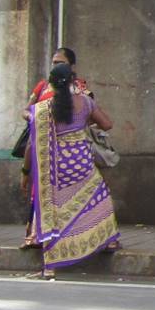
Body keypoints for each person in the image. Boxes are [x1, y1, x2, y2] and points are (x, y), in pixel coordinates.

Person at [27, 62, 119, 275]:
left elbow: (29, 118)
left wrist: (29, 112)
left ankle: (52, 263)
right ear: (73, 80)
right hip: (82, 162)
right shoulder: (86, 102)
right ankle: (106, 240)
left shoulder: (46, 108)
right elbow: (107, 124)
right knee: (99, 197)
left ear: (52, 84)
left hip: (59, 165)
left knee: (57, 209)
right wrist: (85, 123)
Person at [21, 47, 92, 248]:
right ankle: (35, 233)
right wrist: (35, 117)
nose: (55, 66)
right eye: (54, 62)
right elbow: (26, 110)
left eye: (60, 62)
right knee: (38, 190)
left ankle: (63, 236)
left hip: (69, 150)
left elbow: (88, 114)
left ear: (71, 66)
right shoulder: (42, 86)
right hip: (42, 143)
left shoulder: (79, 88)